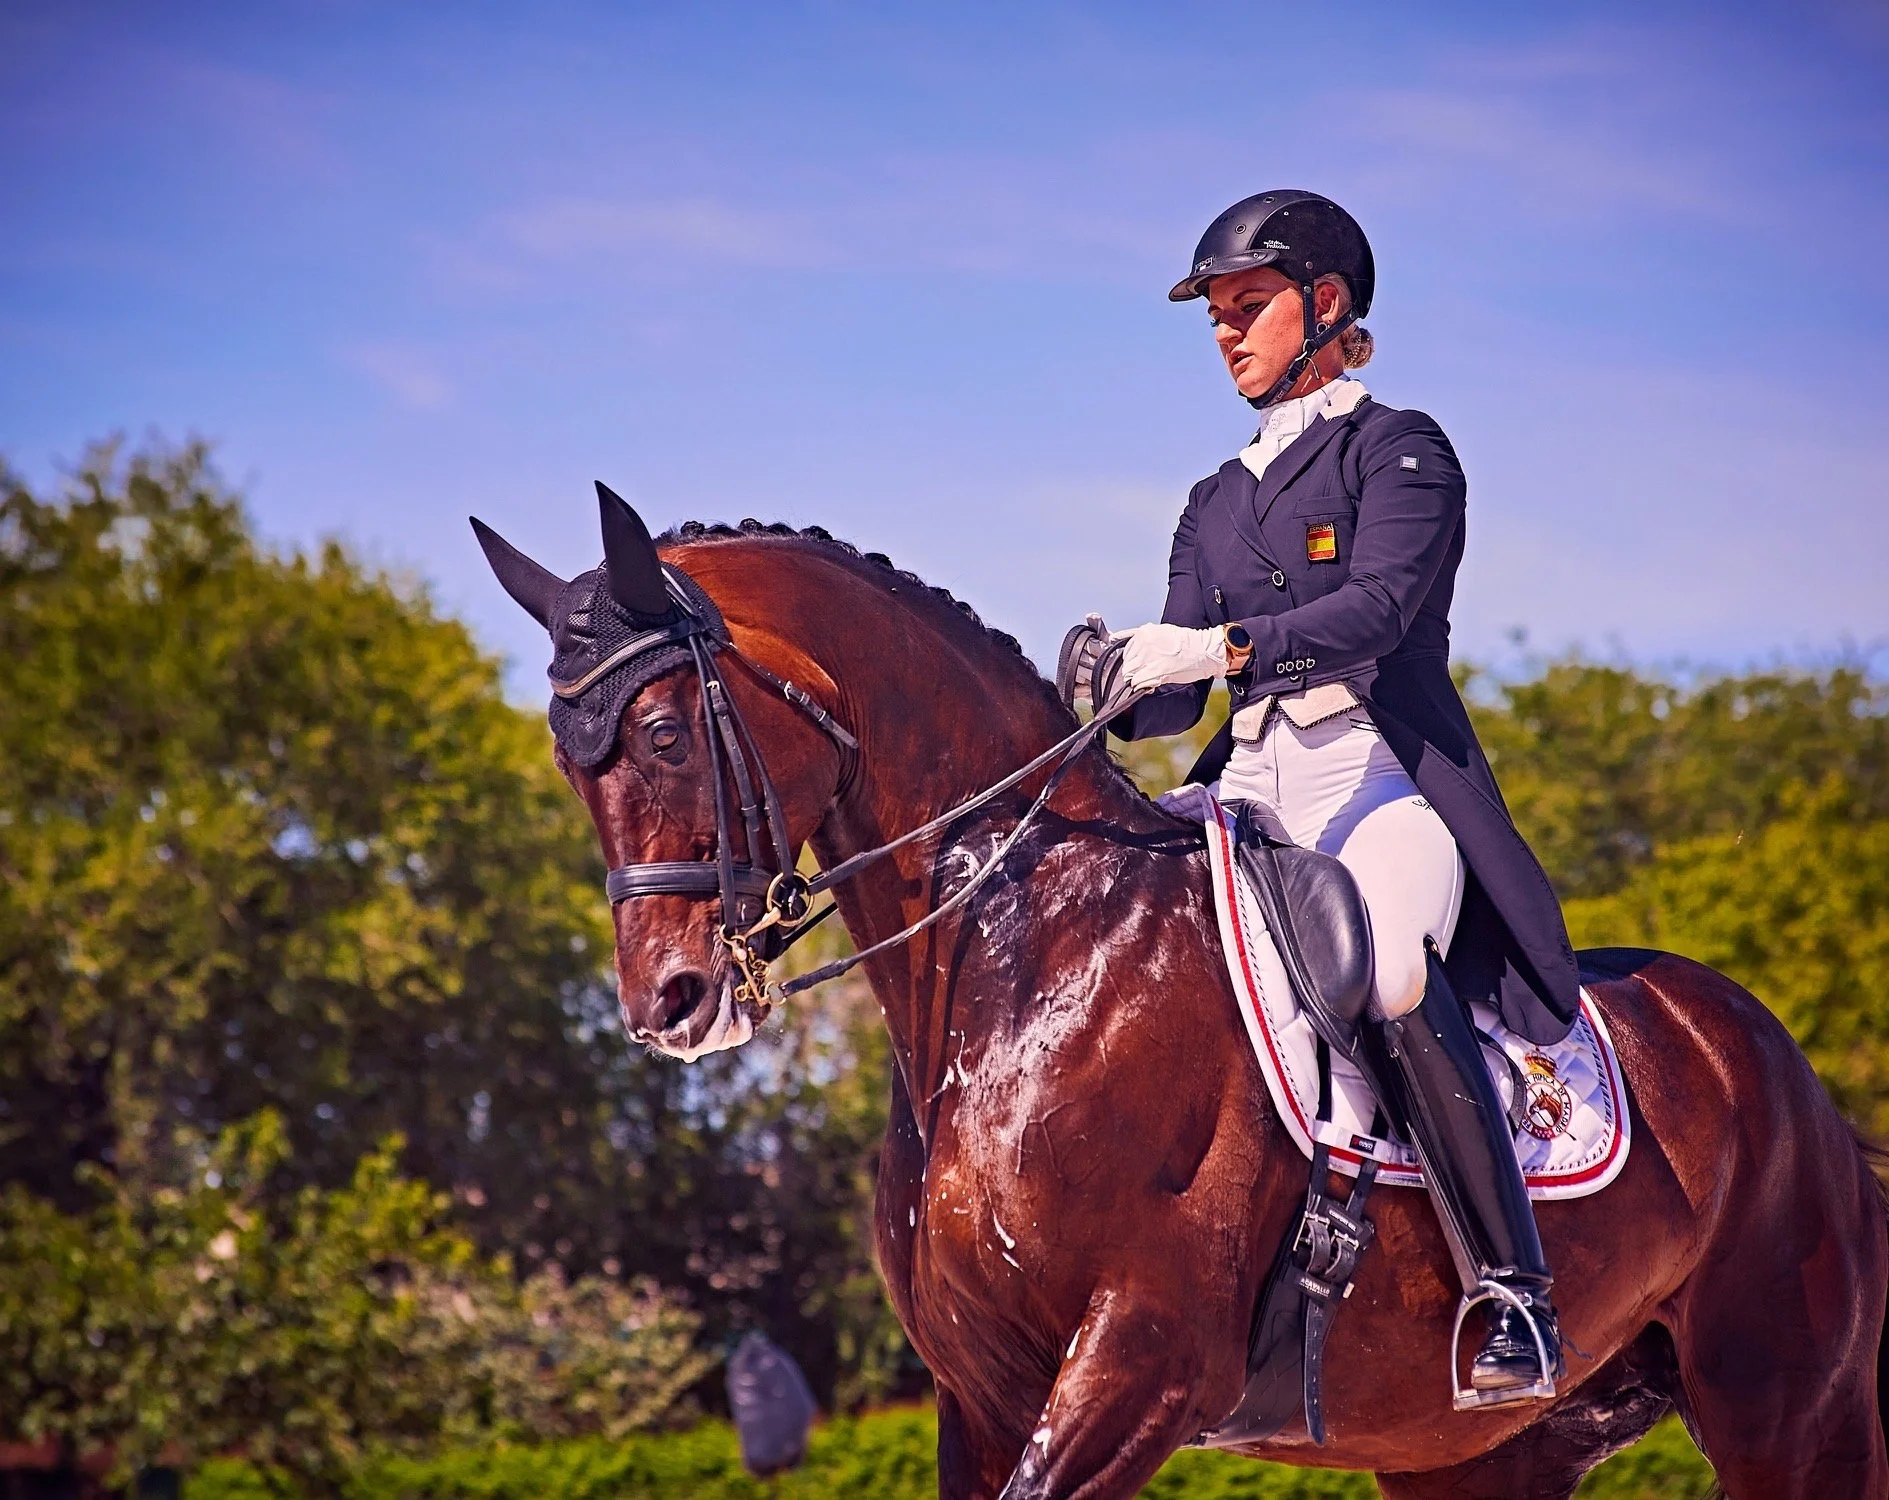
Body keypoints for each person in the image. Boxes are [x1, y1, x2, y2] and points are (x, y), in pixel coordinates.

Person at [1099, 190, 1582, 1401]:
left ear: (1324, 304)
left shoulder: (1400, 451)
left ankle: (1509, 1296)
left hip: (1378, 775)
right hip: (1248, 780)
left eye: (1245, 307)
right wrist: (1110, 683)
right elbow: (1173, 702)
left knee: (1393, 968)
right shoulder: (1213, 499)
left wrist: (1210, 655)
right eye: (1213, 316)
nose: (1224, 334)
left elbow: (1373, 613)